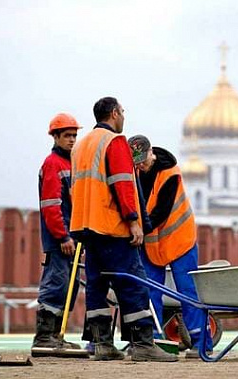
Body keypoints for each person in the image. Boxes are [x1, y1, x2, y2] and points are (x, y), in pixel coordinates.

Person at [69, 97, 177, 362]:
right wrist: (133, 221)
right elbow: (122, 184)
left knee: (96, 285)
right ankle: (143, 345)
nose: (124, 117)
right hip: (111, 227)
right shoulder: (114, 142)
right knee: (132, 284)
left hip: (85, 226)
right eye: (123, 112)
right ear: (115, 113)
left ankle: (103, 344)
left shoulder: (81, 145)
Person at [128, 134, 213, 359]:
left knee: (188, 291)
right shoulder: (135, 172)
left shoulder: (170, 174)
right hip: (152, 242)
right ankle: (152, 341)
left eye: (143, 161)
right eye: (136, 163)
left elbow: (160, 212)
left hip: (179, 239)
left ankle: (201, 343)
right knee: (149, 291)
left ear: (151, 153)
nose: (141, 167)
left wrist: (137, 229)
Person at [33, 113, 83, 351]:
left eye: (74, 135)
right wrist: (62, 236)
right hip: (60, 240)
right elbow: (51, 205)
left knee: (69, 287)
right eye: (67, 136)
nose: (72, 140)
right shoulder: (53, 164)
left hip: (72, 238)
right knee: (56, 284)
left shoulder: (71, 163)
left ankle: (57, 336)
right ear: (55, 136)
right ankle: (44, 337)